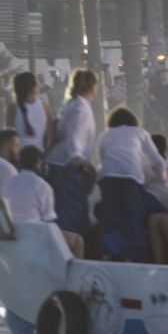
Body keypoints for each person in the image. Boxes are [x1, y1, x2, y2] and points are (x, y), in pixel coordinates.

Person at [96, 107, 165, 261]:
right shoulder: (140, 133)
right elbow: (158, 161)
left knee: (110, 217)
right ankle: (135, 257)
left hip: (108, 179)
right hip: (131, 178)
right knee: (132, 218)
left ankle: (108, 253)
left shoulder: (105, 135)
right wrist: (154, 178)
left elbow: (102, 159)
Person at [3, 146, 84, 256]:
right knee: (77, 240)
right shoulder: (43, 186)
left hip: (11, 233)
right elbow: (49, 221)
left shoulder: (9, 183)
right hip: (34, 235)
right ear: (38, 163)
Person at [46, 70, 99, 237]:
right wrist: (83, 162)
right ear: (92, 86)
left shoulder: (70, 104)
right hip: (70, 166)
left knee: (62, 210)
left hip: (57, 161)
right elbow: (75, 138)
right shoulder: (82, 108)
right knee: (71, 215)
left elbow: (60, 131)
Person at [10, 71, 53, 152]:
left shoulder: (13, 108)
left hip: (19, 155)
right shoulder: (44, 106)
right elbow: (50, 132)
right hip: (39, 154)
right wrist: (46, 149)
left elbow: (9, 137)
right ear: (34, 87)